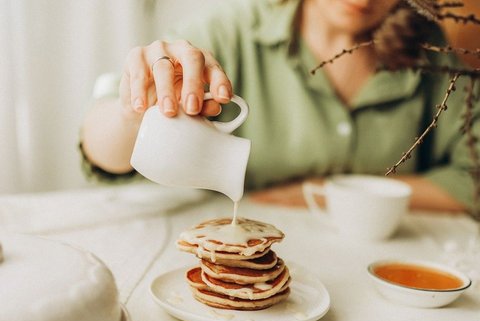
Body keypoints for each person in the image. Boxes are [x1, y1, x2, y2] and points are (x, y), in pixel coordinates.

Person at [80, 0, 480, 212]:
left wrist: (327, 193)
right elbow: (101, 155)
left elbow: (474, 179)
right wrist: (131, 113)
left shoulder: (435, 55)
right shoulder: (231, 30)